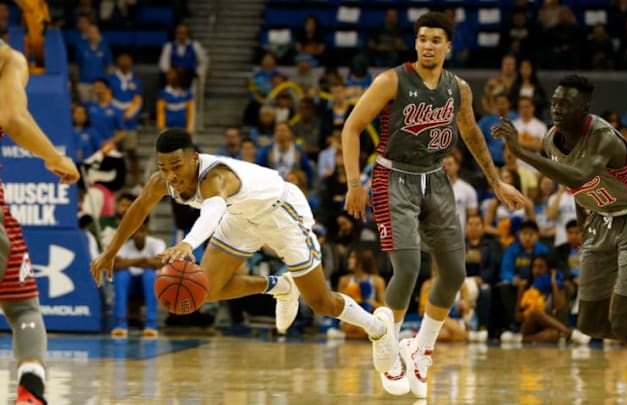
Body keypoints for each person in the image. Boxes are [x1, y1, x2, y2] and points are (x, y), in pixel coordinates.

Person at [90, 129, 399, 373]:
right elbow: (139, 208)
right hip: (240, 216)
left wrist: (187, 244)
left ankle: (378, 329)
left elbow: (212, 210)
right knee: (206, 291)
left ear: (195, 158)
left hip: (281, 213)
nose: (170, 175)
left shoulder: (216, 177)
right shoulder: (164, 181)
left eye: (176, 166)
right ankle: (280, 287)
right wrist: (110, 251)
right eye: (163, 167)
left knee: (321, 302)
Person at [342, 11, 526, 398]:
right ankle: (389, 349)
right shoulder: (392, 80)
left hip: (437, 177)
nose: (427, 45)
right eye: (422, 38)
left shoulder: (458, 88)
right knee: (407, 269)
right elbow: (352, 127)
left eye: (435, 40)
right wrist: (354, 183)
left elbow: (472, 133)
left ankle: (421, 349)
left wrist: (496, 182)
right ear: (416, 43)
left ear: (448, 46)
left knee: (456, 273)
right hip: (393, 177)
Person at [492, 74, 627, 404]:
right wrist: (582, 220)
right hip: (601, 221)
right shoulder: (552, 139)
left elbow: (579, 175)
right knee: (590, 322)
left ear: (585, 107)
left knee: (622, 320)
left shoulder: (603, 136)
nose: (557, 108)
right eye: (555, 102)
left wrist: (519, 151)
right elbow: (575, 186)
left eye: (566, 103)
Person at [0, 40, 81, 404]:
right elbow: (14, 119)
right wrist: (53, 156)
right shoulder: (9, 60)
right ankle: (30, 393)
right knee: (23, 309)